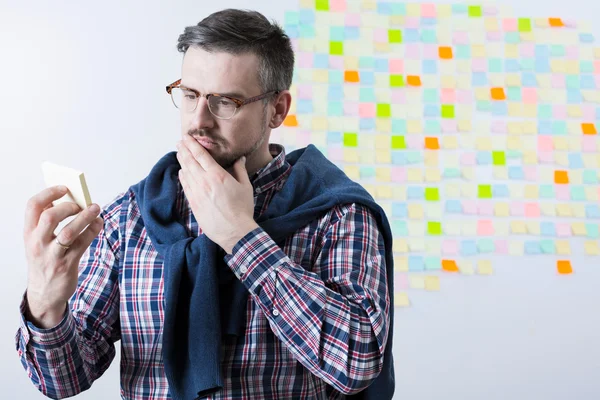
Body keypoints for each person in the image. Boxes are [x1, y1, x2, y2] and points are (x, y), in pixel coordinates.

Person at [16, 8, 395, 400]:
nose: (199, 120)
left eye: (225, 101)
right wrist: (46, 304)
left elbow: (358, 361)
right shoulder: (130, 216)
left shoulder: (338, 215)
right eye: (190, 95)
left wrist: (241, 237)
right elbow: (62, 381)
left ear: (278, 109)